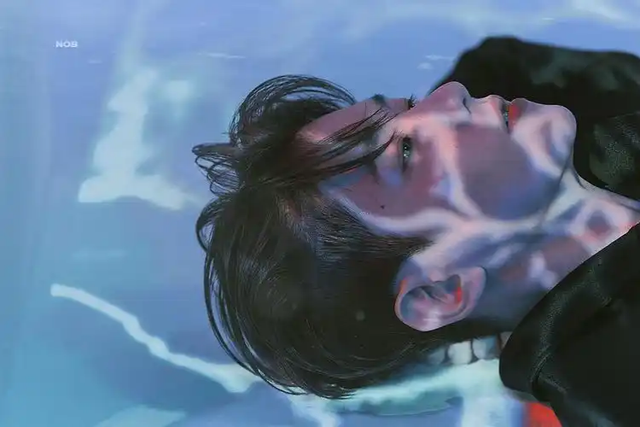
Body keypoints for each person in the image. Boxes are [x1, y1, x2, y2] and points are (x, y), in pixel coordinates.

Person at [193, 36, 640, 426]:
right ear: (438, 292)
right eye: (404, 153)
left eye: (408, 105)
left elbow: (494, 63)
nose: (451, 94)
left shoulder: (601, 145)